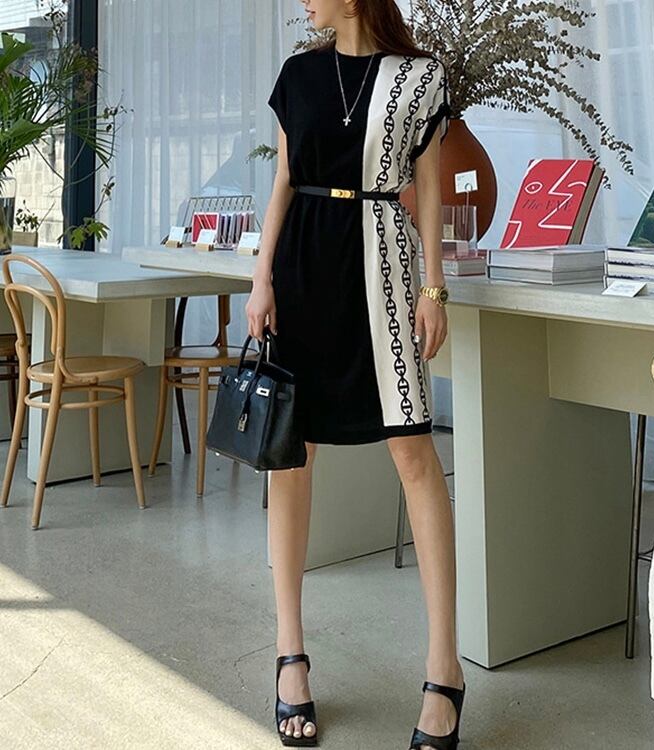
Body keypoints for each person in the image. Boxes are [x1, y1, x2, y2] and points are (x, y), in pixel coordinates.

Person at [244, 0, 465, 748]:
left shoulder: (420, 78)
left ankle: (443, 670)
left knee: (414, 451)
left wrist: (434, 287)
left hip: (385, 272)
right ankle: (290, 657)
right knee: (292, 456)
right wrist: (261, 279)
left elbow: (428, 188)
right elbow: (283, 179)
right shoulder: (298, 75)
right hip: (302, 268)